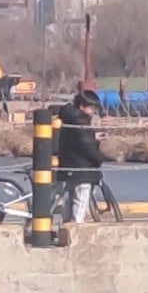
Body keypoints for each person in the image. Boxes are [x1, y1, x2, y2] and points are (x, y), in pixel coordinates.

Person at [58, 90, 107, 223]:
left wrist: (92, 137)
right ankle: (76, 228)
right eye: (92, 108)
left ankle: (66, 227)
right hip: (83, 169)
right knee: (81, 202)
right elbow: (86, 145)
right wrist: (99, 159)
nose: (93, 112)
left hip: (69, 166)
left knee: (70, 200)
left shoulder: (69, 117)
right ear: (82, 107)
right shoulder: (81, 121)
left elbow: (78, 140)